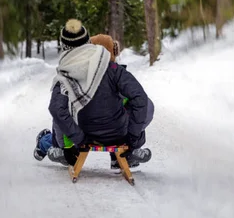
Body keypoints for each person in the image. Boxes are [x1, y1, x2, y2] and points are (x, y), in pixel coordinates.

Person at [33, 20, 154, 168]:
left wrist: (77, 141)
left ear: (64, 47)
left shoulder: (65, 75)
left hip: (82, 134)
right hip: (117, 134)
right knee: (146, 105)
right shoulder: (113, 69)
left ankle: (54, 145)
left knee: (63, 113)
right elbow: (140, 99)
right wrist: (132, 139)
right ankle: (47, 143)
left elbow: (57, 110)